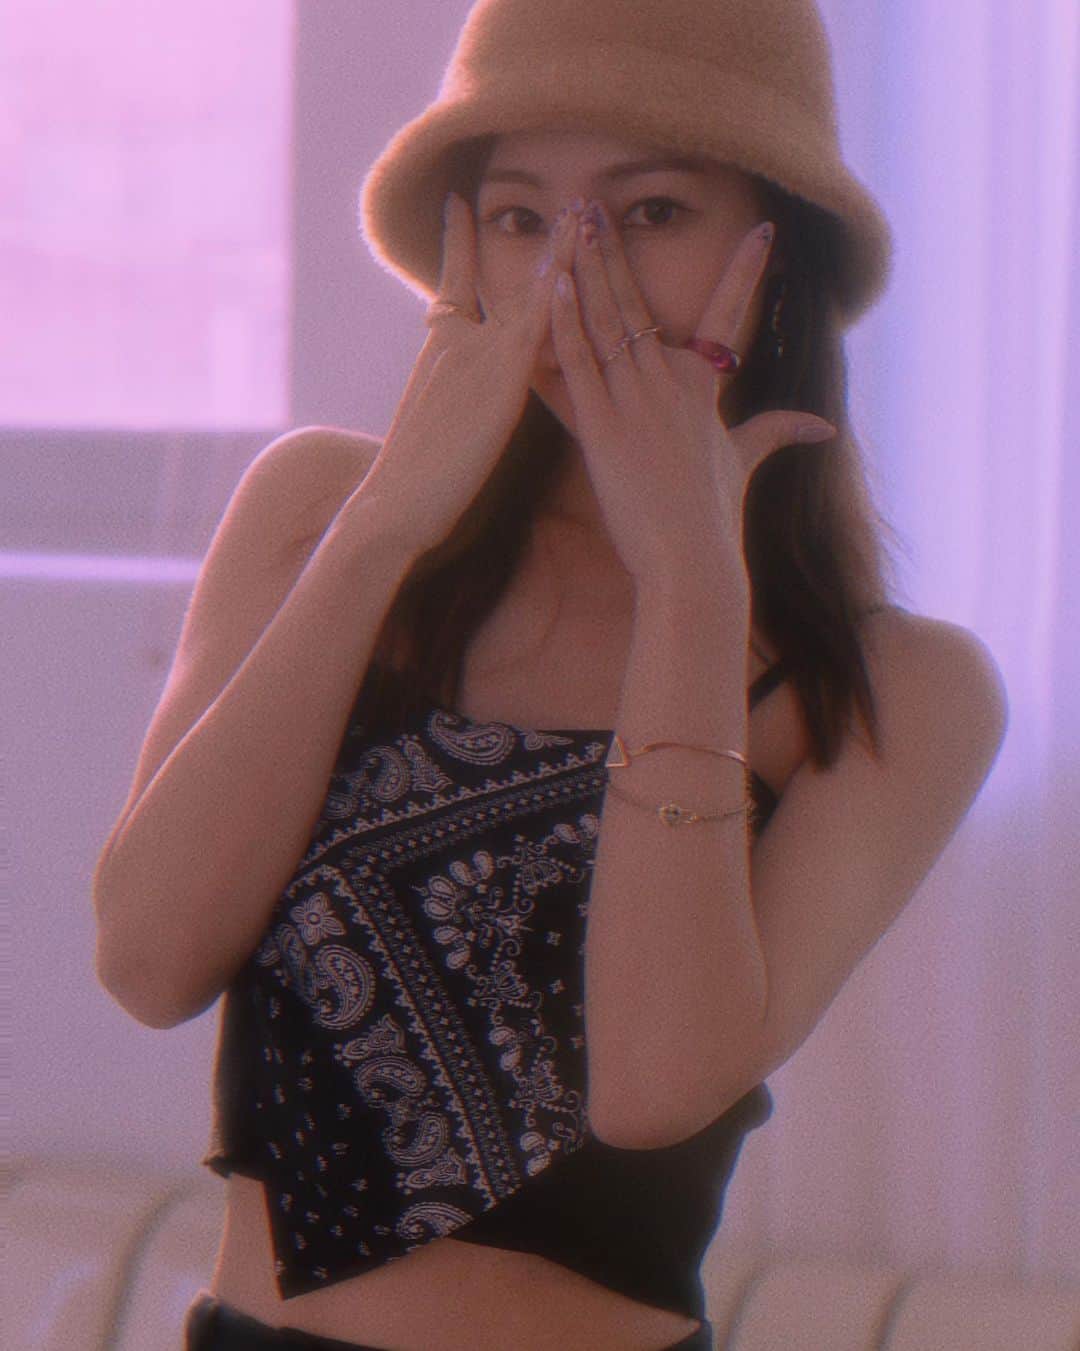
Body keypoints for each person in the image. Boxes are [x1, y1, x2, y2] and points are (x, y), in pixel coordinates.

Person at [90, 0, 1007, 1347]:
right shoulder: (317, 511)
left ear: (781, 258)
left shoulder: (893, 687)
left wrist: (692, 585)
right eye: (523, 216)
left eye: (651, 213)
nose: (580, 271)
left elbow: (654, 1090)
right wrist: (385, 525)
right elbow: (149, 962)